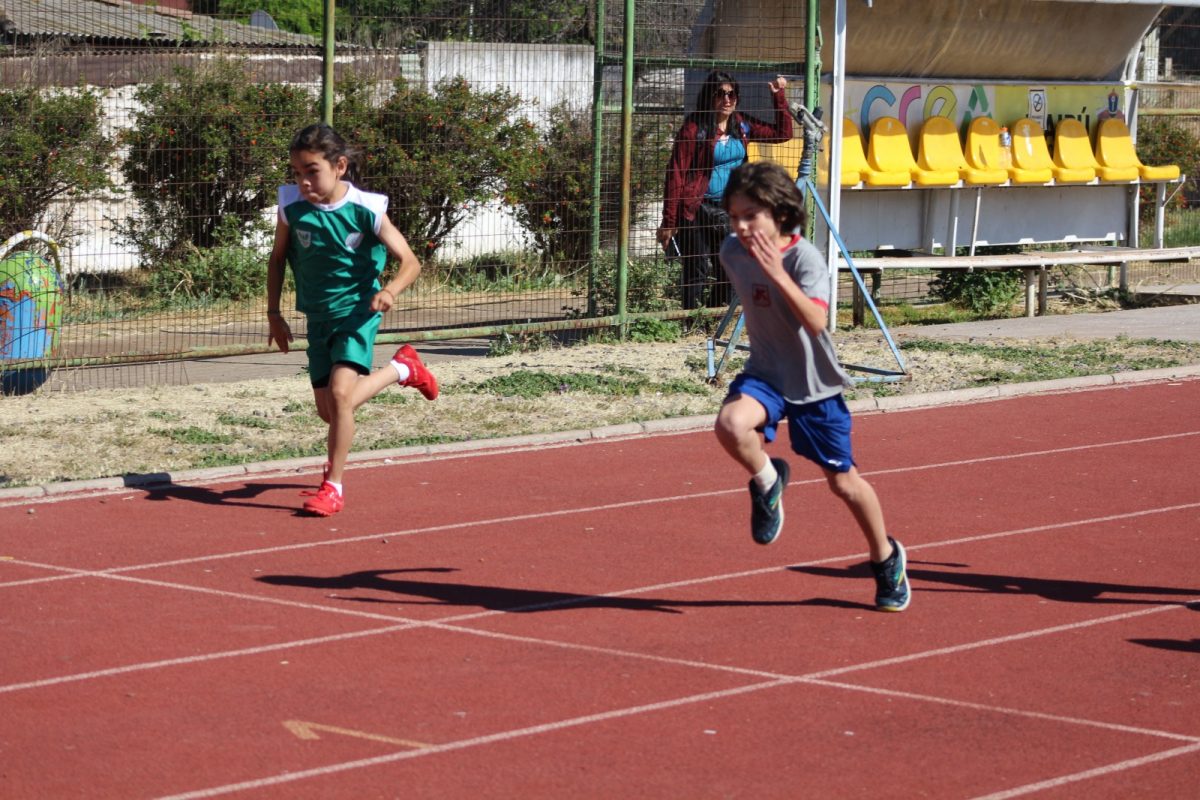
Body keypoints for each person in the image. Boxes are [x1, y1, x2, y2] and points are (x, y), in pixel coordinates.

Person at [712, 161, 910, 612]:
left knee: (844, 484)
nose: (741, 227)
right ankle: (768, 479)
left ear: (779, 213)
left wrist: (777, 273)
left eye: (751, 216)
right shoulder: (731, 251)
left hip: (815, 387)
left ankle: (885, 557)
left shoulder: (806, 260)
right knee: (730, 425)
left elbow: (817, 321)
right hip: (765, 374)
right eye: (734, 217)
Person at [266, 123, 439, 517]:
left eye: (312, 171)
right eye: (296, 172)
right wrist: (274, 313)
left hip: (359, 313)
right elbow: (277, 260)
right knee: (329, 412)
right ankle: (402, 368)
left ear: (339, 166)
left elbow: (410, 262)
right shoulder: (291, 206)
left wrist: (390, 290)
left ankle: (333, 486)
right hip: (318, 317)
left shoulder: (366, 209)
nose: (303, 180)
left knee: (342, 397)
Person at [657, 71, 793, 310]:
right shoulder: (693, 129)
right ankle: (691, 320)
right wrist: (669, 221)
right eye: (720, 94)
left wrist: (778, 97)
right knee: (697, 267)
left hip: (730, 209)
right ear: (710, 97)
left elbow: (782, 134)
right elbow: (676, 174)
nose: (727, 100)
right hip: (695, 209)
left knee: (730, 267)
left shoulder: (741, 125)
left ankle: (713, 319)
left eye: (732, 94)